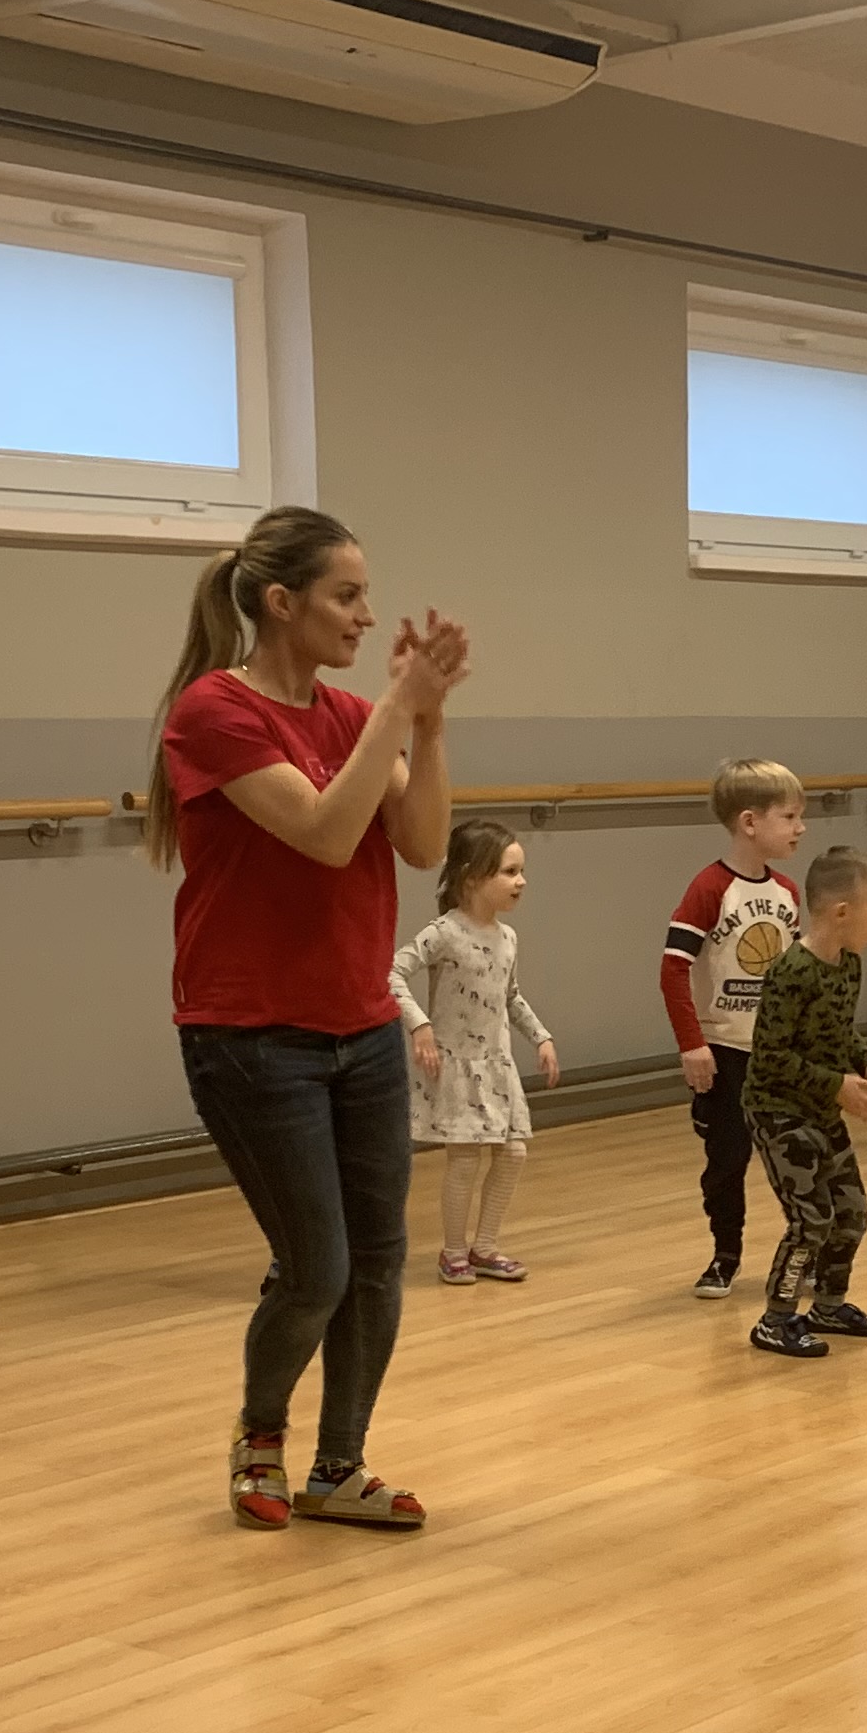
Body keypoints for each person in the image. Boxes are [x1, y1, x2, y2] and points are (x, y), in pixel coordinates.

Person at [147, 507, 462, 1528]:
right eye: (347, 595)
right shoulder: (213, 710)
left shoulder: (351, 715)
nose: (367, 616)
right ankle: (260, 1435)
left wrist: (427, 723)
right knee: (317, 1267)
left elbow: (423, 845)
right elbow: (326, 834)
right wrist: (395, 710)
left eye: (368, 595)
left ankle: (339, 1468)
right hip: (250, 1037)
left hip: (360, 1029)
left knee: (377, 1261)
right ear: (281, 603)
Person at [743, 844, 867, 1358]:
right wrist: (837, 1086)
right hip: (778, 1111)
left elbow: (841, 1031)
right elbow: (770, 1058)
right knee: (811, 1220)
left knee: (851, 1212)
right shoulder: (791, 972)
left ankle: (828, 1306)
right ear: (842, 912)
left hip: (820, 1109)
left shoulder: (848, 964)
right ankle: (775, 1320)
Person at [662, 759, 809, 1298]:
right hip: (725, 1052)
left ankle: (805, 1253)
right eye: (789, 816)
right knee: (727, 1161)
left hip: (779, 1054)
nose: (800, 828)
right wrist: (692, 1044)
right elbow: (673, 969)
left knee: (797, 1159)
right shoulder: (710, 888)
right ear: (750, 822)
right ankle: (726, 1255)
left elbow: (797, 978)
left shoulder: (788, 892)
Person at [396, 819, 557, 1283]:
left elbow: (511, 996)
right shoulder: (444, 932)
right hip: (458, 1068)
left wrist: (541, 1036)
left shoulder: (507, 938)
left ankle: (484, 1247)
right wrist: (420, 1025)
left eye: (520, 871)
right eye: (509, 872)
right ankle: (453, 1252)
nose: (521, 881)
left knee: (513, 1153)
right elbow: (392, 973)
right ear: (471, 877)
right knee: (464, 1159)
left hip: (497, 1066)